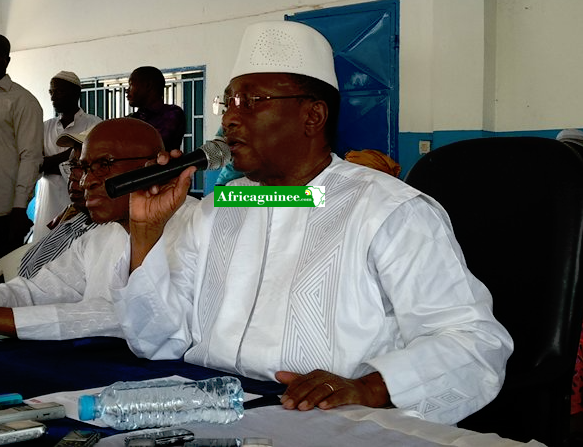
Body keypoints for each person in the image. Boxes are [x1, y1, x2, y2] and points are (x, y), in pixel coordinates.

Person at [112, 21, 513, 425]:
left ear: (313, 116)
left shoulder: (388, 209)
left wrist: (370, 388)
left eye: (251, 101)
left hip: (332, 421)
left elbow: (475, 344)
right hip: (214, 411)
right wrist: (146, 232)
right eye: (228, 101)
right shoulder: (221, 206)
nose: (230, 118)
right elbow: (157, 341)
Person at [0, 118, 196, 340]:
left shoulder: (197, 224)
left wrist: (13, 321)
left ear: (153, 166)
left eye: (104, 165)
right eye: (83, 168)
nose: (85, 182)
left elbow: (134, 319)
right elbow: (35, 292)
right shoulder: (98, 237)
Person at [18, 130, 98, 279]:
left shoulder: (105, 237)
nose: (72, 176)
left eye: (83, 166)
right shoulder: (73, 221)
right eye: (72, 165)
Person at [32, 71, 102, 241]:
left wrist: (51, 164)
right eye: (51, 92)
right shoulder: (45, 127)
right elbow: (36, 164)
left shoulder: (94, 124)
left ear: (75, 93)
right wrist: (71, 154)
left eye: (59, 91)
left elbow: (94, 166)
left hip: (82, 202)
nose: (53, 97)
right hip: (48, 201)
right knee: (45, 246)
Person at [0, 35, 44, 257]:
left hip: (5, 213)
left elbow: (31, 156)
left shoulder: (22, 101)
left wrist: (19, 208)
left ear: (5, 60)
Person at [126, 66, 186, 151]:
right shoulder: (132, 118)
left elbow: (151, 144)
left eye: (131, 85)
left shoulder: (172, 113)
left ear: (148, 85)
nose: (127, 90)